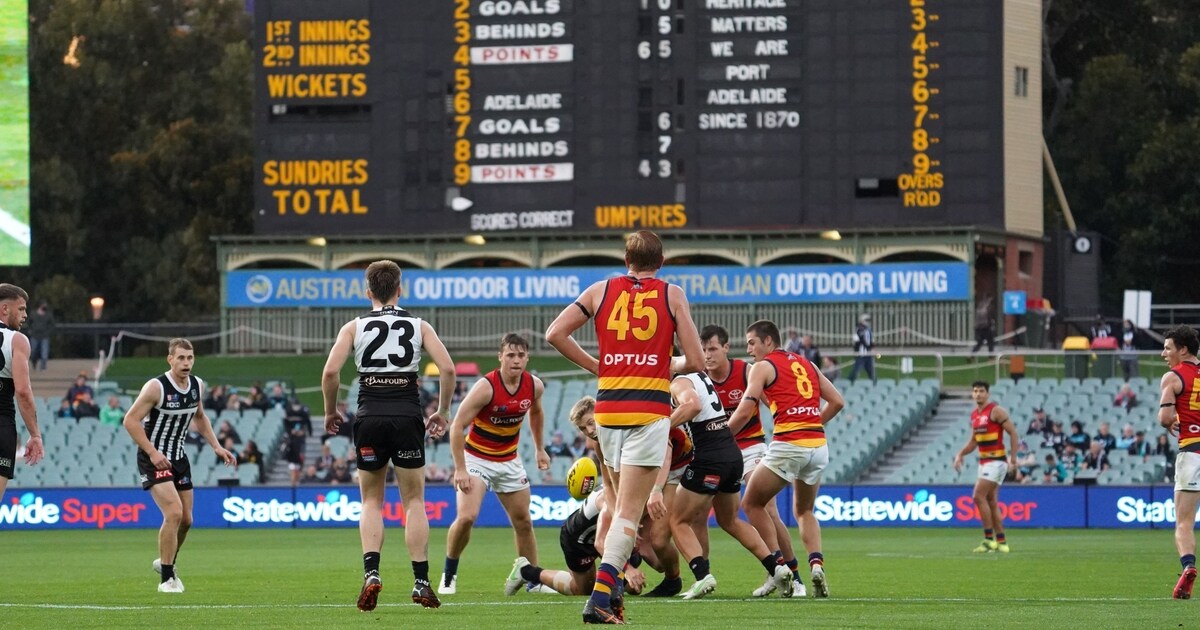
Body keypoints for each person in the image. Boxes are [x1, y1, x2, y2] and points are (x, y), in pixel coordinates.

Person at [545, 230, 704, 624]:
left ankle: (609, 597)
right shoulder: (672, 294)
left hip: (608, 410)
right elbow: (697, 360)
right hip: (648, 411)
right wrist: (666, 365)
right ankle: (600, 599)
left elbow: (554, 334)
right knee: (629, 516)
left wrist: (599, 367)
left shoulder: (600, 290)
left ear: (626, 259)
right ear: (661, 262)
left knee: (619, 510)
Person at [321, 260, 456, 612]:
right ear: (400, 289)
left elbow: (331, 371)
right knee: (413, 502)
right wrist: (441, 411)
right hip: (407, 415)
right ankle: (422, 581)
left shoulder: (354, 327)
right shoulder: (419, 325)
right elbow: (448, 369)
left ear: (368, 292)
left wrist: (330, 411)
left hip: (369, 416)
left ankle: (371, 573)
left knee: (371, 502)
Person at [733, 319, 845, 599]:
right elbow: (838, 402)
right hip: (818, 446)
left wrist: (720, 436)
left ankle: (779, 567)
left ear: (768, 341)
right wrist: (813, 422)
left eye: (752, 342)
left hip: (789, 444)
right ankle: (816, 565)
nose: (749, 350)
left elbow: (746, 411)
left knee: (751, 503)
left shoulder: (762, 367)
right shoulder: (808, 364)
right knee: (804, 511)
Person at [122, 338, 236, 593]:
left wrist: (216, 446)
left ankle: (166, 562)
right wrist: (152, 453)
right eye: (181, 358)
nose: (186, 363)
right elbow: (130, 420)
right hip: (154, 458)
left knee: (186, 520)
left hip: (179, 458)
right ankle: (166, 579)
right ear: (170, 359)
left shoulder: (197, 385)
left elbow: (200, 416)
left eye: (190, 358)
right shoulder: (156, 387)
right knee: (173, 513)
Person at [440, 333, 550, 596]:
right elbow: (456, 426)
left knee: (523, 521)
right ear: (500, 356)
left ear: (527, 357)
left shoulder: (534, 386)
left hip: (509, 460)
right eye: (510, 355)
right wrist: (460, 469)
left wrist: (539, 448)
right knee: (467, 517)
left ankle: (533, 581)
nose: (516, 360)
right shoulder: (486, 387)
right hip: (477, 459)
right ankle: (448, 575)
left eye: (521, 355)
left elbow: (536, 412)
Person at [701, 324, 805, 598]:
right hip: (719, 453)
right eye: (703, 350)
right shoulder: (699, 379)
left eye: (712, 348)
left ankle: (794, 577)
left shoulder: (748, 371)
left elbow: (776, 398)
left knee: (767, 509)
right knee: (699, 515)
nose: (707, 355)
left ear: (725, 348)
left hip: (751, 446)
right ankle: (770, 570)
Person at [667, 370, 791, 600]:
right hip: (732, 455)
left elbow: (692, 406)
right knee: (729, 520)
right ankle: (777, 567)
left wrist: (663, 426)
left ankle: (702, 575)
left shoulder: (678, 382)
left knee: (677, 519)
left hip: (709, 458)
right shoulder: (700, 376)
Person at [1157, 325, 1200, 599]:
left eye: (1168, 348)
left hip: (1192, 452)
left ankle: (1188, 566)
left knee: (1184, 522)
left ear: (1183, 350)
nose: (1164, 354)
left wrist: (1172, 419)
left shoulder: (1173, 377)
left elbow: (1164, 419)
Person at [952, 381, 1018, 553]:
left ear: (988, 394)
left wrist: (1013, 459)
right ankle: (1002, 542)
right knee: (991, 501)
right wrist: (960, 454)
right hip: (984, 462)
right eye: (975, 391)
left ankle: (989, 539)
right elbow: (974, 441)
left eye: (981, 391)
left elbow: (1013, 432)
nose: (978, 394)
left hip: (997, 461)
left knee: (977, 496)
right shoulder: (974, 415)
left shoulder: (996, 411)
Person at [0, 284, 45, 502]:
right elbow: (23, 392)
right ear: (5, 309)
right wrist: (35, 435)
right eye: (21, 309)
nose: (26, 315)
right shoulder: (16, 340)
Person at [282, 398, 311, 486]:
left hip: (300, 440)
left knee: (299, 463)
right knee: (293, 465)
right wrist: (291, 432)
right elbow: (286, 424)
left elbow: (307, 423)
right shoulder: (288, 413)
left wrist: (306, 432)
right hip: (292, 441)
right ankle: (293, 482)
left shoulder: (303, 413)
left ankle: (296, 480)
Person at [24, 301, 53, 371]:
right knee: (33, 351)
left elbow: (52, 324)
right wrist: (30, 330)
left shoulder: (48, 315)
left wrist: (48, 332)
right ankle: (34, 362)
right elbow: (29, 323)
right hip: (34, 335)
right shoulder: (33, 314)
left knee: (44, 353)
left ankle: (43, 367)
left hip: (44, 336)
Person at [849, 313, 875, 384]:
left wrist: (872, 347)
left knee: (871, 371)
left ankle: (873, 383)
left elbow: (871, 340)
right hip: (861, 354)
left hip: (868, 354)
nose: (868, 322)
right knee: (856, 370)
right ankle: (850, 381)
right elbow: (860, 340)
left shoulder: (868, 330)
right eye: (866, 320)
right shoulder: (859, 329)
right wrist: (868, 347)